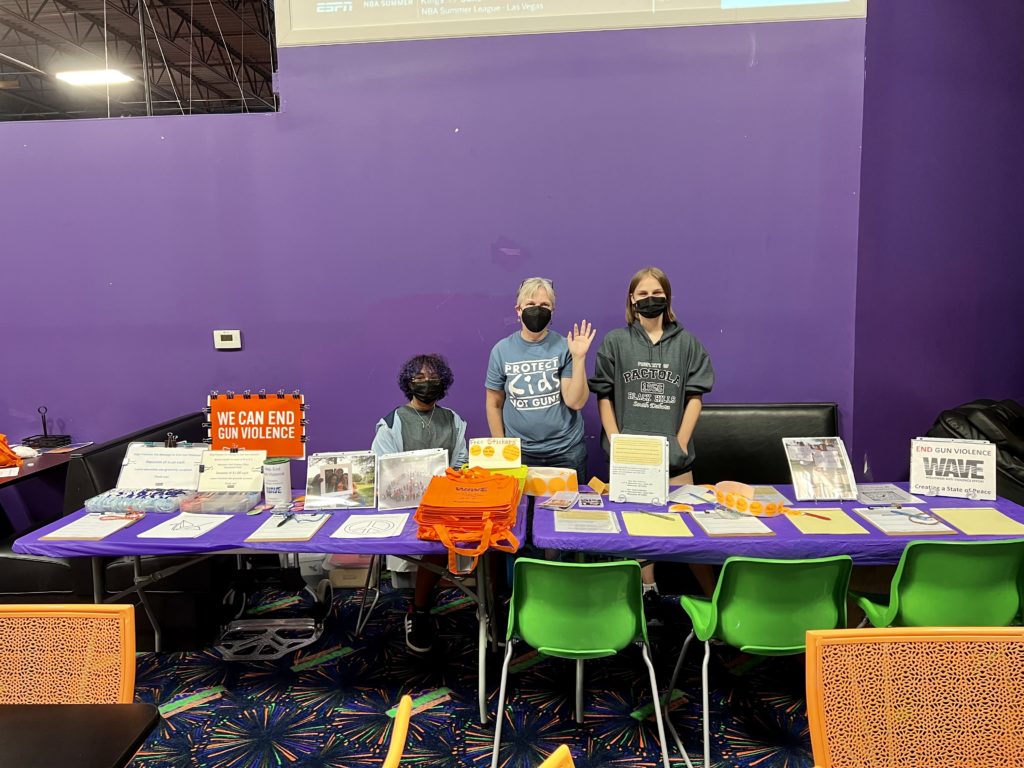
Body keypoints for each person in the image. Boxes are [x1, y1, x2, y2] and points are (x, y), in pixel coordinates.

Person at [589, 267, 715, 604]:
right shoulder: (615, 341)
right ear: (632, 299)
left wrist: (681, 443)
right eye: (642, 294)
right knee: (638, 534)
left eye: (656, 293)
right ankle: (647, 596)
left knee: (690, 536)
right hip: (631, 458)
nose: (649, 299)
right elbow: (603, 394)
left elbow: (695, 397)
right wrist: (616, 441)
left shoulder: (687, 343)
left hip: (675, 459)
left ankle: (716, 600)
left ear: (667, 297)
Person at [371, 353, 468, 653]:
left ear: (444, 382)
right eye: (419, 378)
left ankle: (484, 612)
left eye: (433, 378)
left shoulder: (454, 420)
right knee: (431, 543)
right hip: (403, 508)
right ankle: (420, 611)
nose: (427, 383)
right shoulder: (391, 422)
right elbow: (382, 468)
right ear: (408, 383)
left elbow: (461, 462)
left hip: (443, 505)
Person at [485, 277, 595, 484]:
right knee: (519, 513)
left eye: (545, 305)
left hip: (566, 452)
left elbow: (575, 402)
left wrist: (579, 358)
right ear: (518, 310)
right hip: (520, 453)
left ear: (552, 311)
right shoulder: (501, 350)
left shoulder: (565, 346)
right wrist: (502, 449)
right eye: (531, 304)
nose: (537, 310)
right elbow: (494, 403)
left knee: (569, 513)